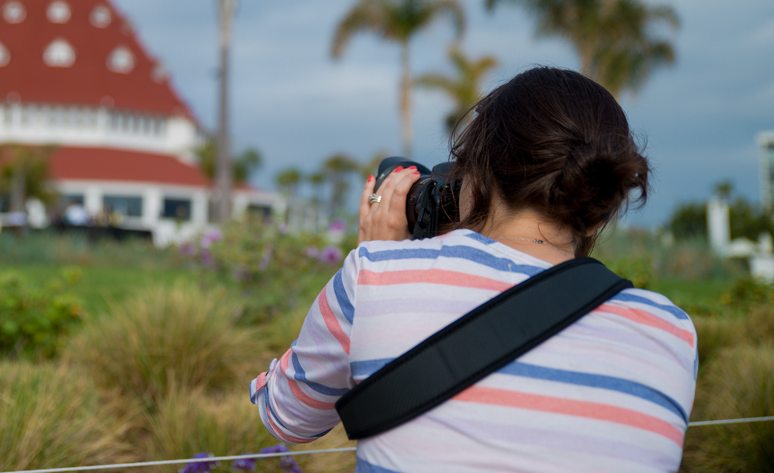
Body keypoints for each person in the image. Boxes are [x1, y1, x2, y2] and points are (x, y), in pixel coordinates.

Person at [249, 67, 696, 473]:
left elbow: (285, 416)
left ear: (475, 179)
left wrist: (381, 262)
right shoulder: (672, 332)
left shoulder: (374, 277)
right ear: (598, 214)